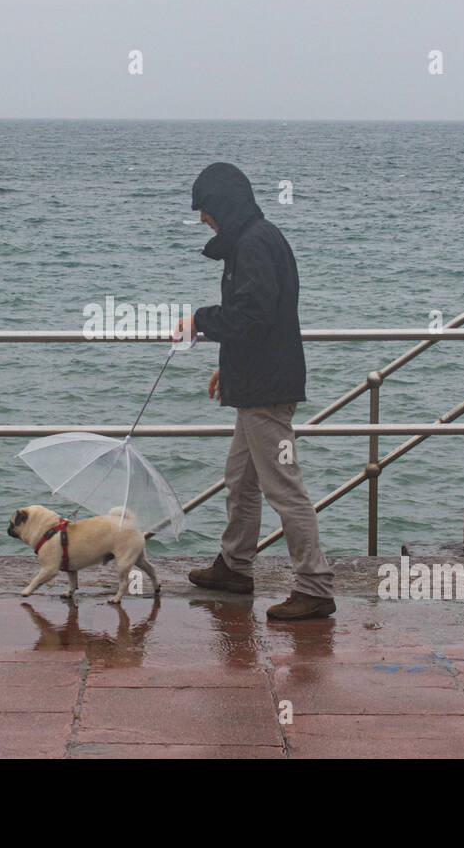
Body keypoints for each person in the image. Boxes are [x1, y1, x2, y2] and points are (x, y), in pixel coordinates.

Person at [173, 162, 336, 621]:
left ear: (222, 204)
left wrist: (199, 320)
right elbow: (258, 322)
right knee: (240, 483)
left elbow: (253, 315)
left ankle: (315, 585)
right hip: (256, 383)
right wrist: (229, 369)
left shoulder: (254, 244)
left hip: (267, 391)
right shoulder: (253, 240)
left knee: (284, 490)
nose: (202, 218)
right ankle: (234, 566)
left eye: (204, 209)